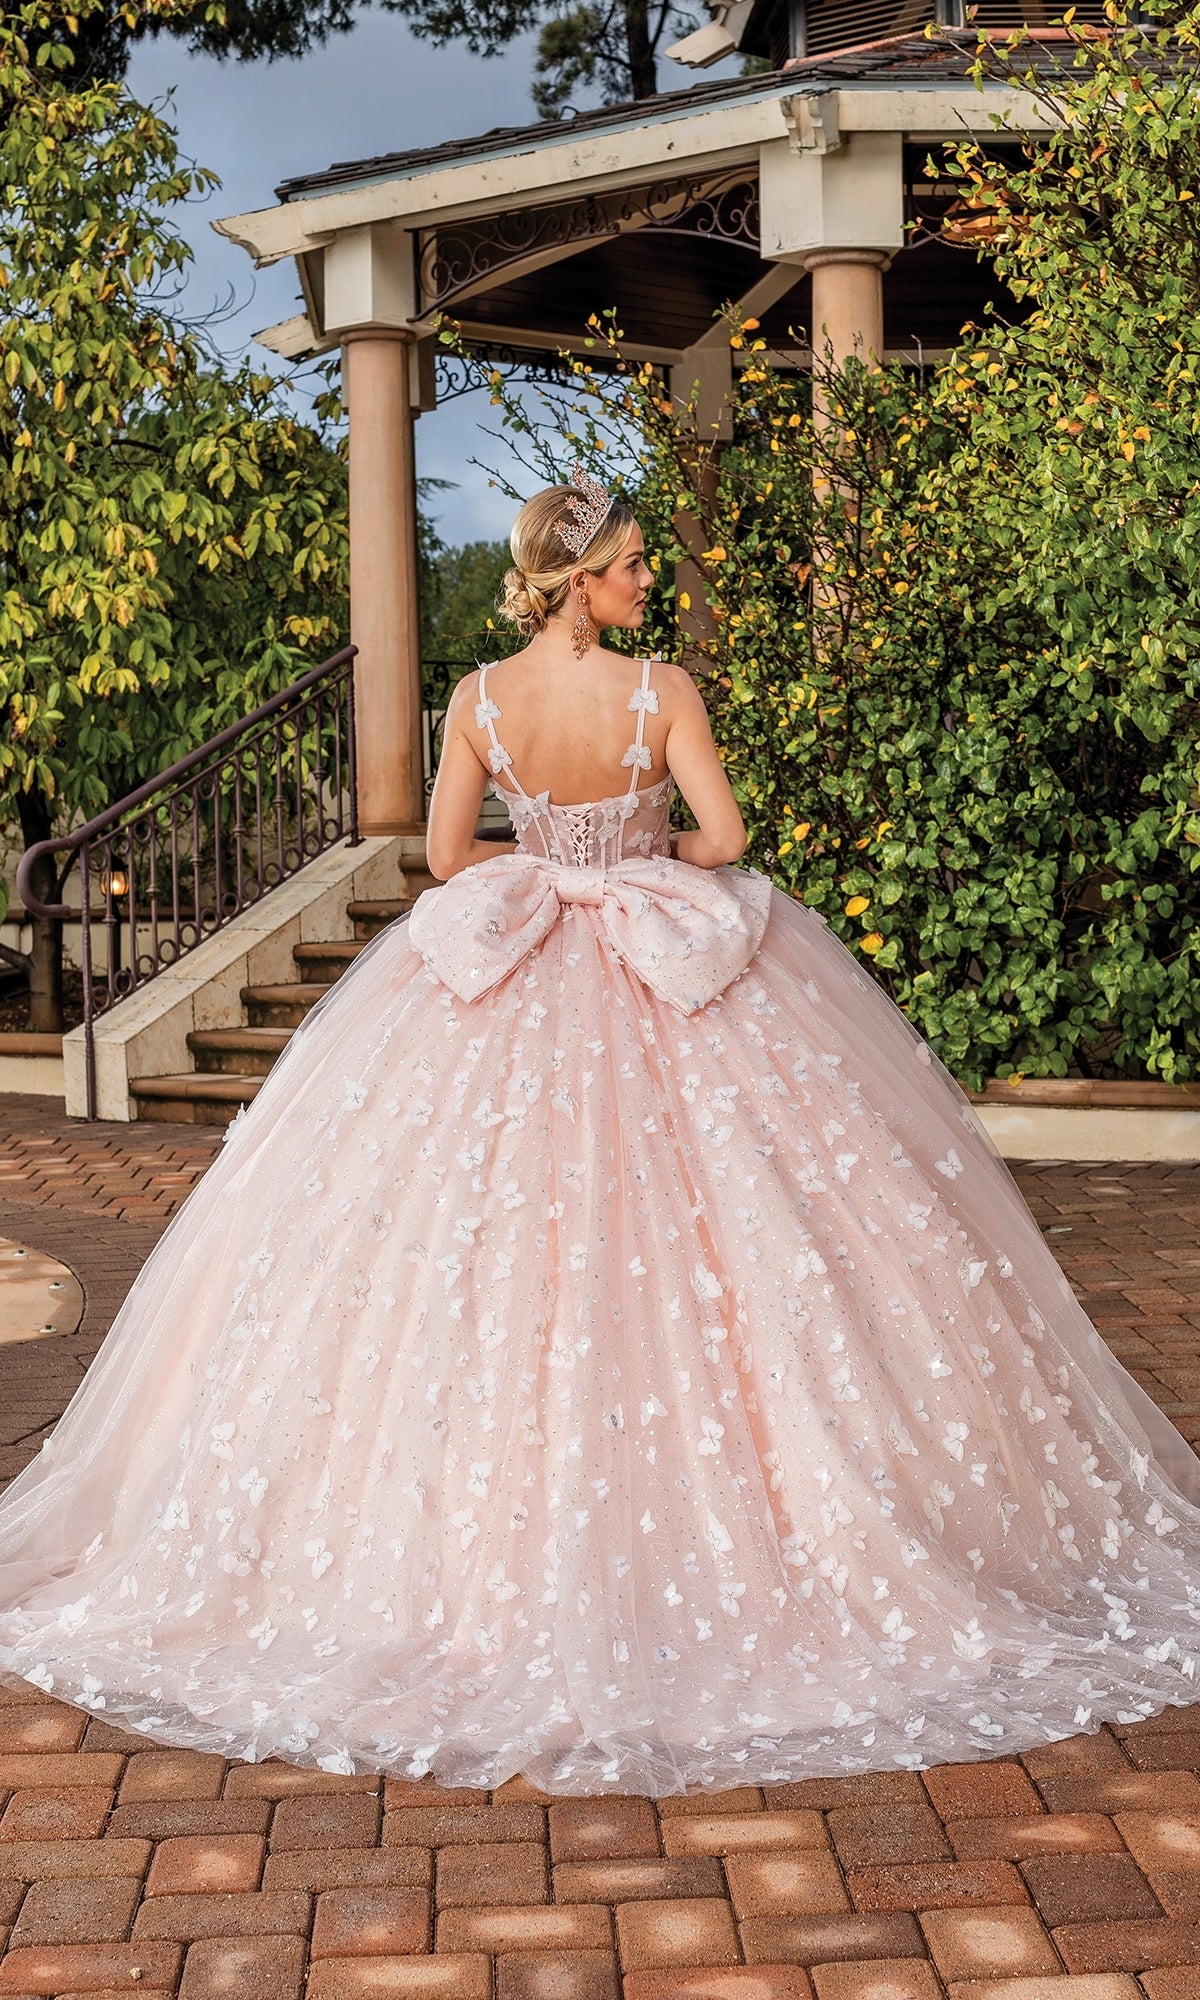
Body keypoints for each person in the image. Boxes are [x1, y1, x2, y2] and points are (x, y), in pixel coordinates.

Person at [0, 469, 1196, 1799]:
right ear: (580, 578)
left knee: (469, 1242)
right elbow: (727, 836)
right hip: (657, 958)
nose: (645, 581)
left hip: (510, 960)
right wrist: (637, 864)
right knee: (750, 1233)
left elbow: (451, 859)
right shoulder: (658, 694)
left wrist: (551, 870)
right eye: (629, 564)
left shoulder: (478, 700)